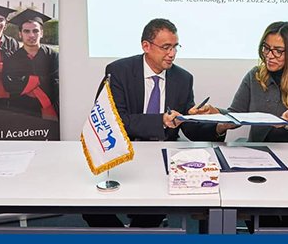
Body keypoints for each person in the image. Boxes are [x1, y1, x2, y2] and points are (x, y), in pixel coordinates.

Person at [83, 18, 221, 229]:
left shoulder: (183, 78)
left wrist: (214, 124)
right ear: (146, 46)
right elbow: (115, 120)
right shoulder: (118, 71)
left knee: (154, 208)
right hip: (123, 150)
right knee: (91, 205)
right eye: (166, 47)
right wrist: (161, 120)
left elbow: (189, 129)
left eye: (175, 47)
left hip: (162, 155)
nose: (172, 54)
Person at [219, 21, 288, 229]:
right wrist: (215, 114)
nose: (269, 55)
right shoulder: (254, 76)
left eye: (278, 51)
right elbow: (235, 114)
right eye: (266, 48)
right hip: (258, 161)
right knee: (260, 223)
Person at [2, 9, 59, 120]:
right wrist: (40, 80)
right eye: (26, 31)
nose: (31, 35)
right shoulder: (12, 59)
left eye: (35, 31)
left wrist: (27, 82)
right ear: (20, 34)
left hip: (50, 110)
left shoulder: (53, 56)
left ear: (41, 33)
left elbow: (57, 84)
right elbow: (9, 85)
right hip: (21, 110)